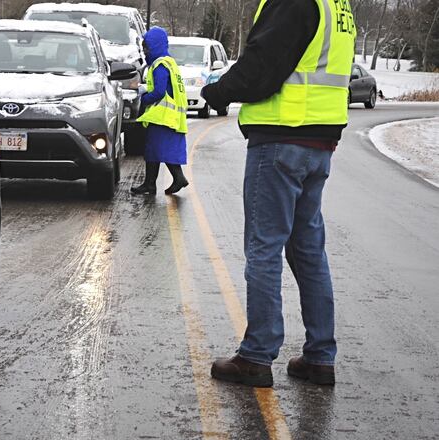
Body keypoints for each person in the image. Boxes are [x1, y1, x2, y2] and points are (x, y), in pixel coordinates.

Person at [200, 0, 356, 387]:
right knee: (308, 249)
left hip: (281, 135)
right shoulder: (338, 5)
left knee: (264, 247)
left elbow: (262, 68)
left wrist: (218, 92)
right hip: (319, 139)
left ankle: (256, 355)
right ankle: (320, 357)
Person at [130, 26, 189, 196]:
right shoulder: (169, 62)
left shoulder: (160, 65)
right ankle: (173, 180)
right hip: (170, 117)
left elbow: (158, 91)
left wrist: (143, 100)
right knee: (160, 149)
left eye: (146, 47)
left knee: (153, 150)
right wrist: (142, 88)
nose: (145, 51)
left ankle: (151, 184)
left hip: (162, 116)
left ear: (154, 46)